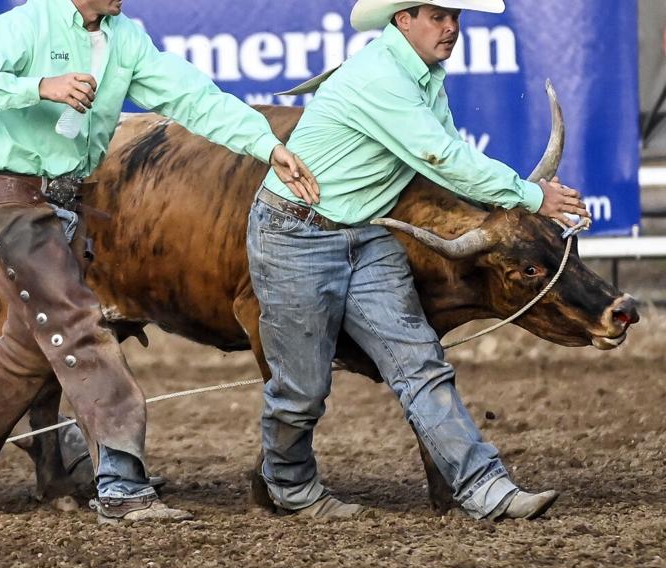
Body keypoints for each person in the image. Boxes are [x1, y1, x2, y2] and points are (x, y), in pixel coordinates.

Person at [0, 0, 320, 524]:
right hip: (14, 206)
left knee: (28, 351)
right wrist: (39, 86)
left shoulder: (124, 38)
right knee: (83, 330)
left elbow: (194, 98)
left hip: (67, 207)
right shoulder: (22, 25)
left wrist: (266, 146)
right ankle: (122, 484)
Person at [247, 0, 589, 520]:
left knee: (420, 363)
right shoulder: (381, 76)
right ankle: (289, 487)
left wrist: (522, 198)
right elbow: (441, 156)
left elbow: (446, 153)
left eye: (456, 17)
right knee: (301, 389)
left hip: (365, 231)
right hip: (296, 235)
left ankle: (485, 487)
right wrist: (530, 196)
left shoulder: (423, 76)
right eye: (437, 15)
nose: (451, 27)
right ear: (402, 20)